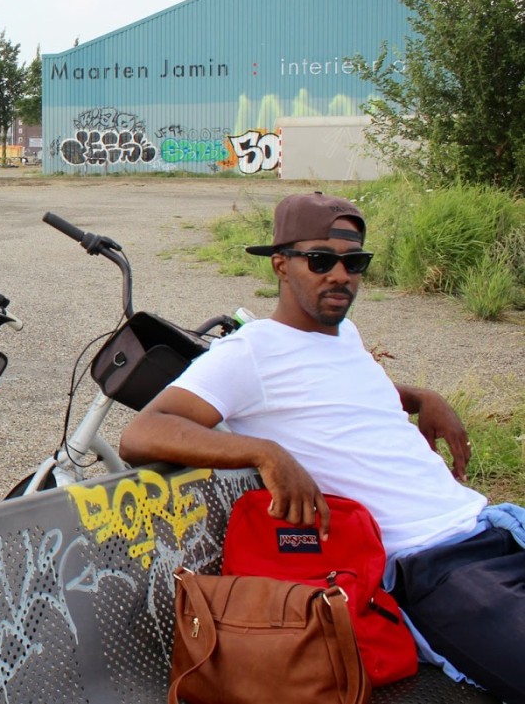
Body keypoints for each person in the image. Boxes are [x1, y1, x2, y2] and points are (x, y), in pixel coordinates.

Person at [120, 191, 525, 701]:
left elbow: (345, 394)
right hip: (435, 567)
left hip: (499, 525)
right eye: (320, 260)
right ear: (280, 265)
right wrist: (264, 452)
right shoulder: (250, 353)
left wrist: (423, 397)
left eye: (354, 262)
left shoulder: (345, 334)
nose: (340, 275)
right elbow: (143, 433)